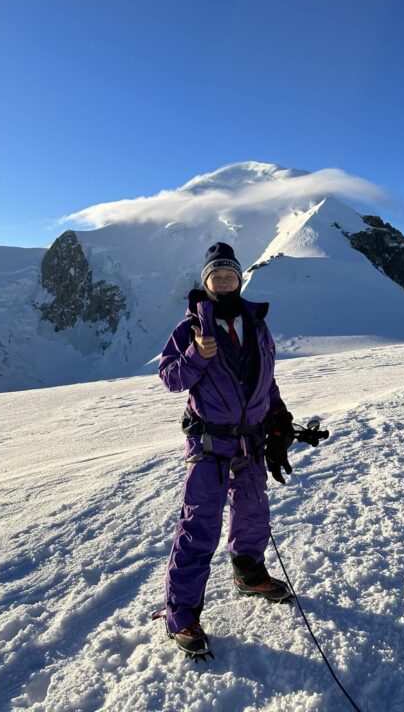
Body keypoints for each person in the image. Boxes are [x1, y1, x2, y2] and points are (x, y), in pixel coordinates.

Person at [157, 242, 295, 657]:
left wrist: (279, 416)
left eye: (229, 275)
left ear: (239, 279)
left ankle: (248, 575)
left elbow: (264, 380)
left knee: (253, 512)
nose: (222, 281)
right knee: (199, 525)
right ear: (207, 282)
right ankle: (181, 614)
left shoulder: (256, 323)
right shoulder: (190, 329)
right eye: (215, 276)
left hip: (250, 439)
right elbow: (170, 378)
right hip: (209, 441)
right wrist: (197, 356)